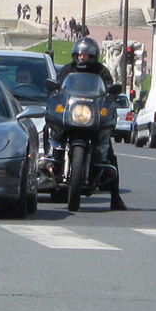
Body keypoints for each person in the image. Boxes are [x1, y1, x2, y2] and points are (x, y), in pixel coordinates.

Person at [53, 37, 127, 210]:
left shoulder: (101, 71)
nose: (81, 58)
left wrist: (111, 95)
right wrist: (54, 92)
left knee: (109, 152)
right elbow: (58, 87)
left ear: (93, 56)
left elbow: (109, 90)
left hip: (92, 117)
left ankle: (115, 197)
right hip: (71, 115)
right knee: (52, 136)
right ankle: (51, 165)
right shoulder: (67, 70)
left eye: (85, 55)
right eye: (79, 54)